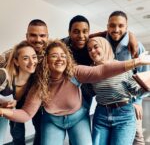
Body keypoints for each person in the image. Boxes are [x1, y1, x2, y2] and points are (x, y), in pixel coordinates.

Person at [0, 40, 150, 145]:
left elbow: (101, 71)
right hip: (52, 121)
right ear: (46, 60)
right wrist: (2, 111)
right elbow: (26, 114)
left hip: (78, 119)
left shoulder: (75, 71)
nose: (60, 59)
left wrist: (136, 62)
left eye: (63, 55)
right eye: (54, 55)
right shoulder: (40, 84)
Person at [87, 37, 149, 145]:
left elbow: (135, 91)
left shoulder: (121, 67)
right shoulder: (90, 71)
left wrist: (146, 88)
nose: (92, 51)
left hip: (124, 115)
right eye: (89, 49)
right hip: (101, 115)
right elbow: (87, 92)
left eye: (96, 47)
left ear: (105, 47)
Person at [0, 19, 48, 145]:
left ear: (47, 37)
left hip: (34, 96)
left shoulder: (49, 53)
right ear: (27, 36)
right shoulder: (10, 55)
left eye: (42, 35)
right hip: (11, 96)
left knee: (41, 128)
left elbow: (68, 41)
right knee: (17, 132)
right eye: (33, 35)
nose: (38, 39)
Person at [0, 41, 38, 145]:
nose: (31, 62)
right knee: (16, 133)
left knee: (19, 130)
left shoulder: (36, 79)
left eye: (34, 57)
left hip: (18, 107)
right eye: (25, 58)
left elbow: (26, 114)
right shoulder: (3, 75)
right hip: (3, 109)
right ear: (16, 61)